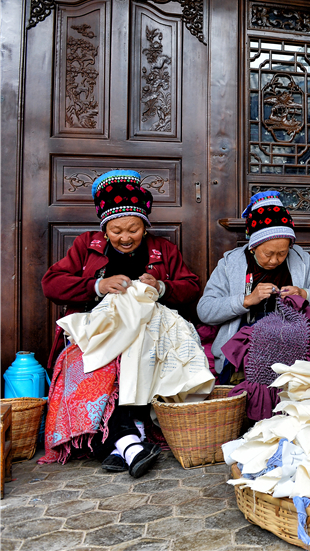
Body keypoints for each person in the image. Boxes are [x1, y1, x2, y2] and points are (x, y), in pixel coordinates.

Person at [41, 169, 202, 477]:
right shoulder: (86, 246)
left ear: (145, 226)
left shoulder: (163, 250)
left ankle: (121, 445)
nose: (125, 237)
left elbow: (191, 286)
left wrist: (162, 287)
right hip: (96, 331)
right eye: (116, 231)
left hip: (150, 331)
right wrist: (97, 286)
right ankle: (130, 440)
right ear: (104, 229)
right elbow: (52, 284)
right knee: (91, 362)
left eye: (133, 229)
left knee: (136, 355)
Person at [197, 191, 310, 382]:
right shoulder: (231, 264)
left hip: (291, 338)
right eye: (268, 254)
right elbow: (205, 311)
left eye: (282, 253)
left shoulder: (301, 259)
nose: (275, 260)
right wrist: (246, 300)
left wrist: (303, 294)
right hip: (245, 343)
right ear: (253, 246)